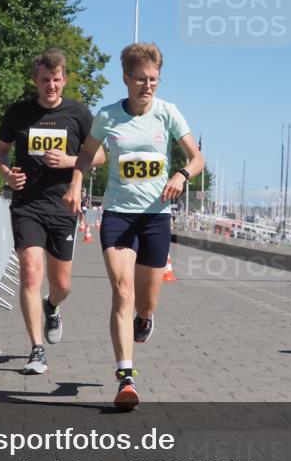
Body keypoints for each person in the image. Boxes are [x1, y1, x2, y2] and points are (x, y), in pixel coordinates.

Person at [65, 43, 204, 408]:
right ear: (126, 78)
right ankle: (126, 377)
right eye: (141, 79)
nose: (148, 86)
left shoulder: (168, 113)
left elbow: (197, 157)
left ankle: (145, 318)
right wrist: (77, 184)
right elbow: (84, 156)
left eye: (154, 80)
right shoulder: (108, 116)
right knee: (122, 292)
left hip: (156, 217)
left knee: (146, 300)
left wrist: (182, 173)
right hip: (118, 215)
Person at [0, 48, 104, 375]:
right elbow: (1, 150)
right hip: (28, 204)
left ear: (64, 80)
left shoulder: (79, 114)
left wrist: (71, 161)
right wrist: (6, 174)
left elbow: (99, 156)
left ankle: (52, 306)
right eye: (45, 80)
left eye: (56, 80)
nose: (51, 86)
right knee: (29, 273)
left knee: (62, 284)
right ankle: (37, 348)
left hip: (63, 205)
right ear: (35, 80)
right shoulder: (19, 113)